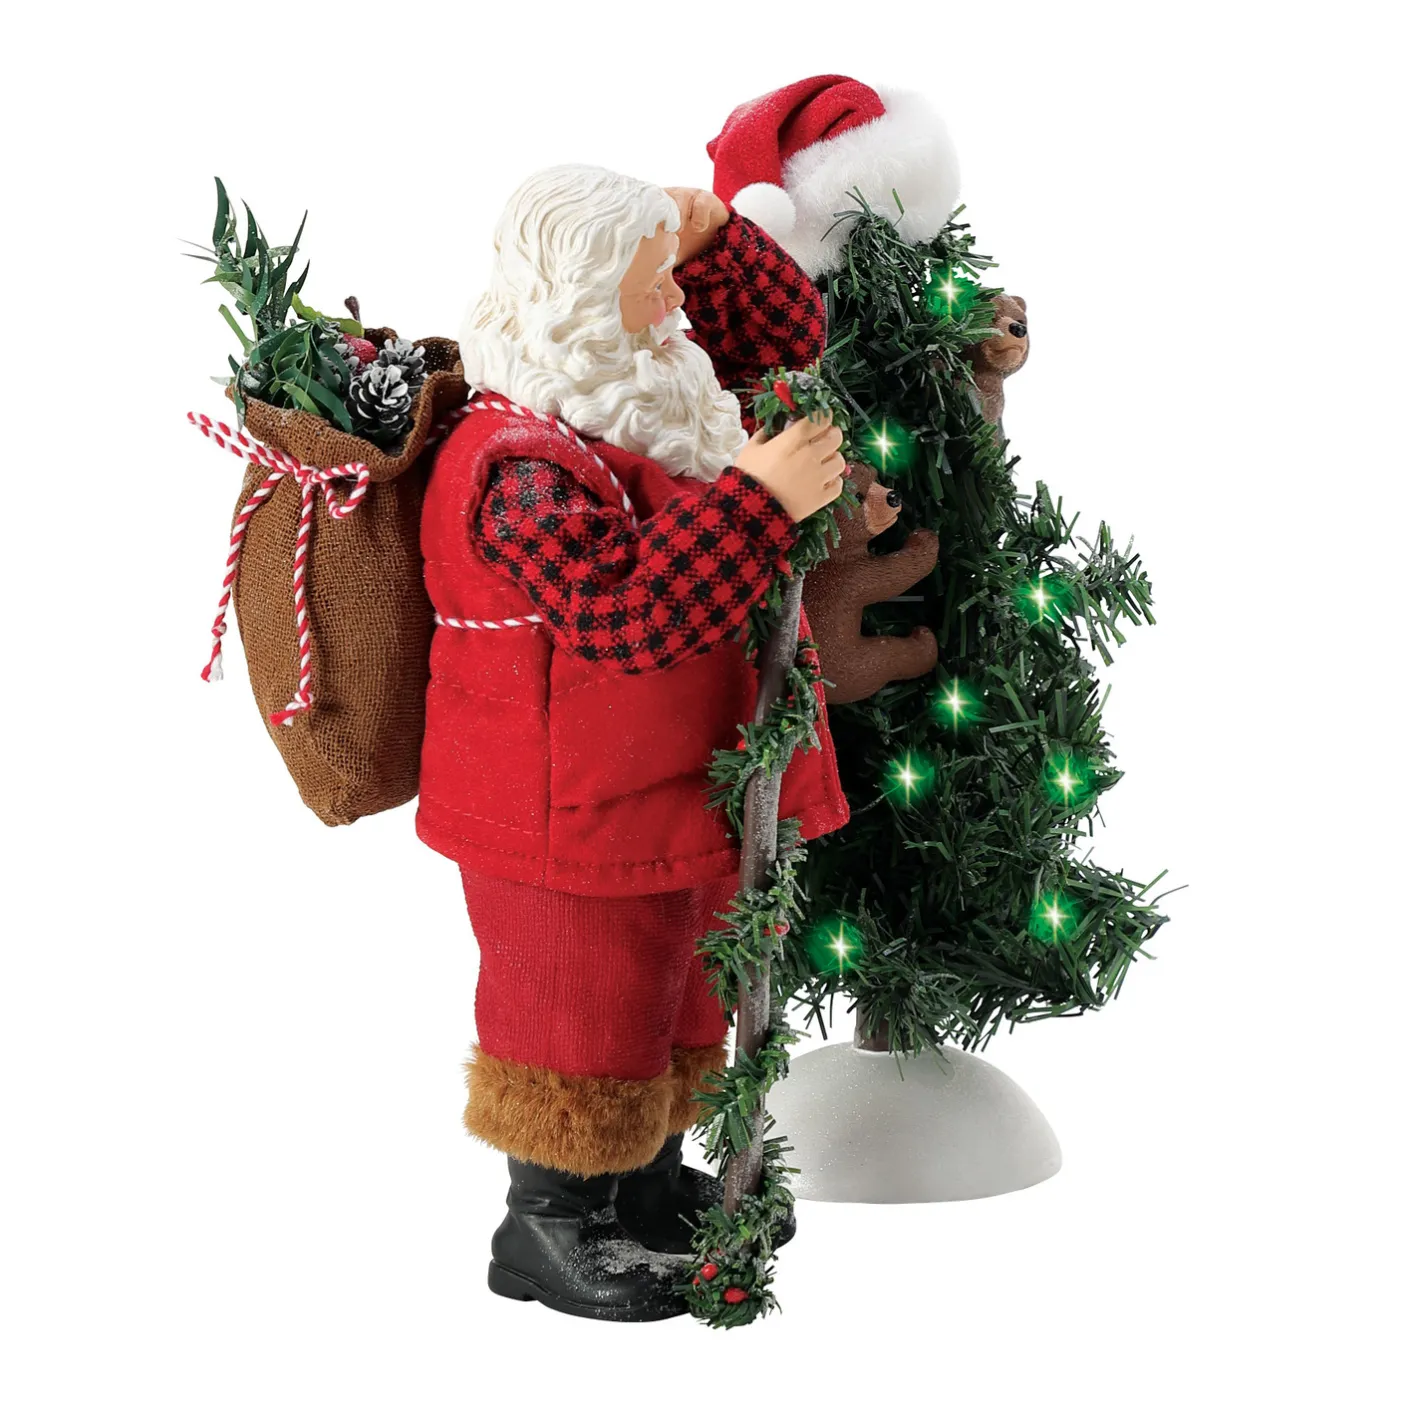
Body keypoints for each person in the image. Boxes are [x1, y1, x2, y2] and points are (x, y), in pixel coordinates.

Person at [417, 164, 848, 1321]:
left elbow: (789, 342)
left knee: (670, 1000)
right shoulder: (514, 461)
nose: (670, 305)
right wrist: (757, 502)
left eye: (669, 280)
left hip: (663, 790)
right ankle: (554, 1221)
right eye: (651, 281)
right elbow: (625, 616)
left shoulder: (645, 394)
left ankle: (643, 1190)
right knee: (581, 1015)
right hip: (567, 812)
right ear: (578, 288)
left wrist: (715, 245)